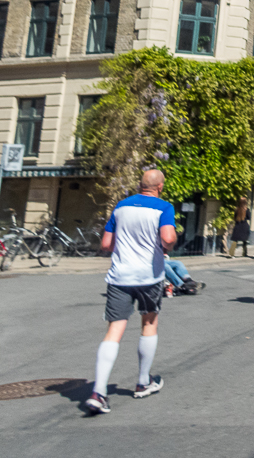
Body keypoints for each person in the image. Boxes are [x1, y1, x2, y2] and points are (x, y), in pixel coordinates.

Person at [85, 169, 177, 416]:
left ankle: (99, 392)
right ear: (160, 187)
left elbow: (106, 244)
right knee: (149, 323)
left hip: (120, 276)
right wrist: (167, 245)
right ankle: (143, 382)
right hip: (149, 276)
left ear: (140, 185)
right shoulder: (164, 207)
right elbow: (167, 238)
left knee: (114, 330)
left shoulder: (121, 206)